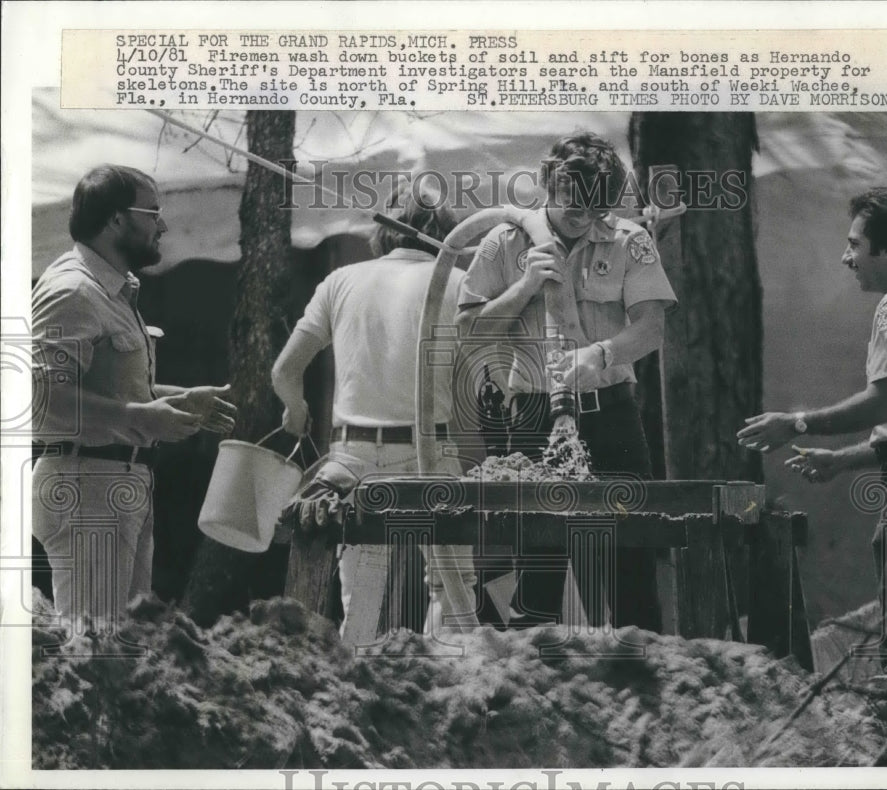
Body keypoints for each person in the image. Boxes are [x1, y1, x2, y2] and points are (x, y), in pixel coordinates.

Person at [737, 187, 887, 699]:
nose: (847, 258)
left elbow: (882, 403)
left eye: (854, 245)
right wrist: (844, 459)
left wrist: (795, 423)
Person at [456, 131, 677, 631]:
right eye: (573, 205)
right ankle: (535, 683)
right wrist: (525, 286)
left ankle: (636, 675)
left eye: (596, 208)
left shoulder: (628, 240)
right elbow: (469, 330)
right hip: (533, 416)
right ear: (545, 184)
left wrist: (600, 354)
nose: (584, 217)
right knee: (539, 562)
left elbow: (651, 327)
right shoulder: (505, 241)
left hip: (611, 412)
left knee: (629, 558)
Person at [32, 164, 237, 636]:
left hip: (113, 484)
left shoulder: (113, 290)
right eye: (154, 213)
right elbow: (40, 400)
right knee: (96, 652)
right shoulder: (73, 291)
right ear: (117, 221)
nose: (162, 225)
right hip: (86, 488)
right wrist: (138, 416)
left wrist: (179, 399)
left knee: (121, 650)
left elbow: (106, 389)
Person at [272, 184, 478, 644]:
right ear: (443, 234)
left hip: (354, 459)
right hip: (432, 453)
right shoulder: (460, 283)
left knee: (361, 607)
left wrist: (296, 409)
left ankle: (354, 696)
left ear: (383, 233)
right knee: (455, 597)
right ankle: (446, 691)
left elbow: (286, 371)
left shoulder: (341, 280)